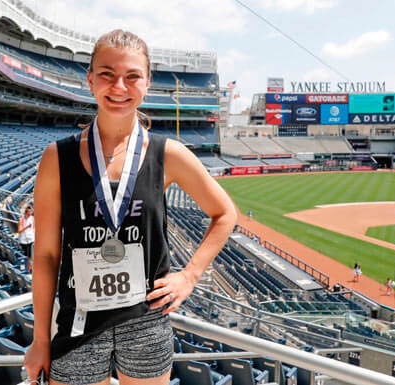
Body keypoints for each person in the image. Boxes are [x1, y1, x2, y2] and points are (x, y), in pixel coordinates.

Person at [23, 30, 236, 385]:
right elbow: (45, 255)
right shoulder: (56, 158)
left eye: (132, 76)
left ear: (147, 83)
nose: (119, 86)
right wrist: (40, 339)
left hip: (147, 321)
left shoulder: (168, 154)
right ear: (90, 80)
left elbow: (225, 213)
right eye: (106, 74)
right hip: (79, 321)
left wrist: (190, 275)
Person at [17, 205, 34, 272]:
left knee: (30, 256)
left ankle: (30, 269)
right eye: (28, 214)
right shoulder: (21, 220)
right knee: (28, 256)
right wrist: (27, 227)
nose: (30, 215)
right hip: (23, 240)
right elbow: (19, 231)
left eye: (31, 213)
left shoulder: (32, 218)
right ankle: (29, 268)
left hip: (31, 239)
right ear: (26, 213)